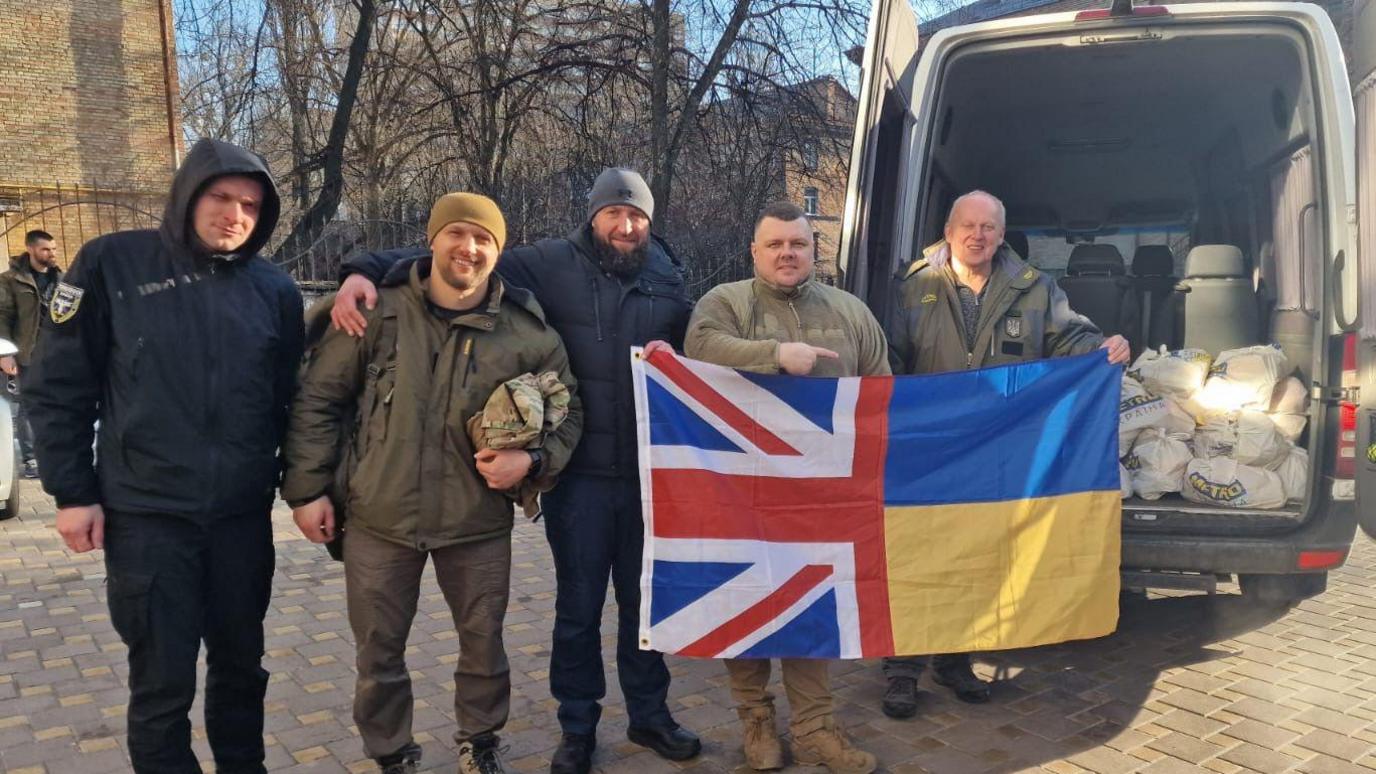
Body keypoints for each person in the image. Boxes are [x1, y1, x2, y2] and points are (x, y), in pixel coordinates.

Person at [329, 168, 700, 774]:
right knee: (578, 608)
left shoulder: (667, 278)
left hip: (646, 478)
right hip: (575, 476)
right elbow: (457, 255)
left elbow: (700, 350)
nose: (626, 225)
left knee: (644, 608)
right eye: (615, 213)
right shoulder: (548, 263)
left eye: (637, 217)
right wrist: (361, 269)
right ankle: (576, 727)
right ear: (593, 215)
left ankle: (650, 716)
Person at [23, 138, 304, 773]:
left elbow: (294, 401)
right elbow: (59, 388)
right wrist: (72, 494)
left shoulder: (274, 290)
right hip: (147, 517)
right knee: (161, 685)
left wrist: (308, 486)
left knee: (240, 670)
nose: (235, 214)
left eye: (251, 206)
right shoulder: (111, 264)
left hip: (239, 520)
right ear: (188, 195)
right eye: (221, 197)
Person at [283, 193, 583, 774]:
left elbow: (570, 412)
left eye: (483, 240)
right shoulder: (374, 310)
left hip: (476, 522)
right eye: (457, 234)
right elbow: (318, 401)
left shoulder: (526, 332)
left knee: (483, 646)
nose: (468, 248)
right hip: (378, 517)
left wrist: (534, 463)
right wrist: (306, 491)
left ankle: (480, 741)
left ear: (499, 251)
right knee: (378, 652)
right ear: (434, 237)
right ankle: (392, 753)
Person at [882, 189, 1130, 719]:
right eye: (968, 226)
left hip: (998, 448)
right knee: (915, 554)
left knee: (975, 554)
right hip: (927, 447)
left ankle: (954, 660)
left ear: (1001, 233)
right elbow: (885, 361)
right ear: (948, 231)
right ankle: (901, 669)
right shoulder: (909, 287)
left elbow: (1072, 339)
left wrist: (1102, 349)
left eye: (989, 227)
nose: (978, 236)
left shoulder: (1035, 289)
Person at [675, 200, 888, 774]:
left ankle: (817, 730)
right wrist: (776, 355)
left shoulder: (850, 312)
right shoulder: (724, 303)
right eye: (775, 244)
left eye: (798, 243)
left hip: (819, 495)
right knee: (746, 603)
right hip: (740, 493)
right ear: (755, 252)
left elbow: (881, 391)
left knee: (812, 608)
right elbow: (699, 349)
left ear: (813, 249)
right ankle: (757, 724)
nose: (787, 253)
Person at [0, 229, 62, 478]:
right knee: (29, 406)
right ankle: (31, 459)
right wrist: (5, 353)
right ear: (32, 249)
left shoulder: (62, 278)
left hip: (57, 354)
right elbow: (2, 317)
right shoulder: (11, 280)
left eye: (54, 249)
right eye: (46, 249)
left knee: (59, 405)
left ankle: (57, 456)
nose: (52, 253)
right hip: (26, 353)